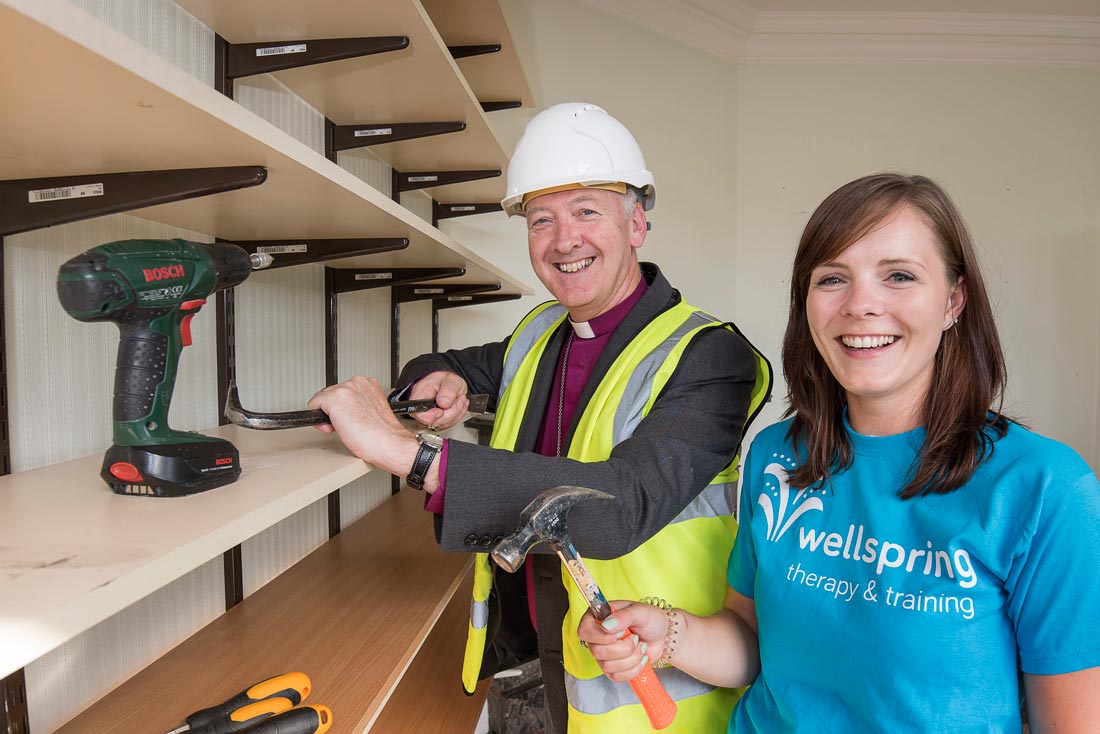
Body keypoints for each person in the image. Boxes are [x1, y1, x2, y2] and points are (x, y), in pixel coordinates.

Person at [307, 102, 772, 733]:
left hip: (649, 695)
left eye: (587, 211)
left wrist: (406, 454)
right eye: (541, 219)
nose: (564, 240)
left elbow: (619, 506)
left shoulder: (710, 356)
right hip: (534, 654)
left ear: (636, 222)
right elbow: (462, 364)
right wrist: (438, 379)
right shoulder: (541, 333)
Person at [578, 173, 1100, 733]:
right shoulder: (777, 457)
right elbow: (753, 641)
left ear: (953, 300)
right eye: (833, 278)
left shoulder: (1043, 487)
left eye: (899, 276)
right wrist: (669, 632)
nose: (861, 306)